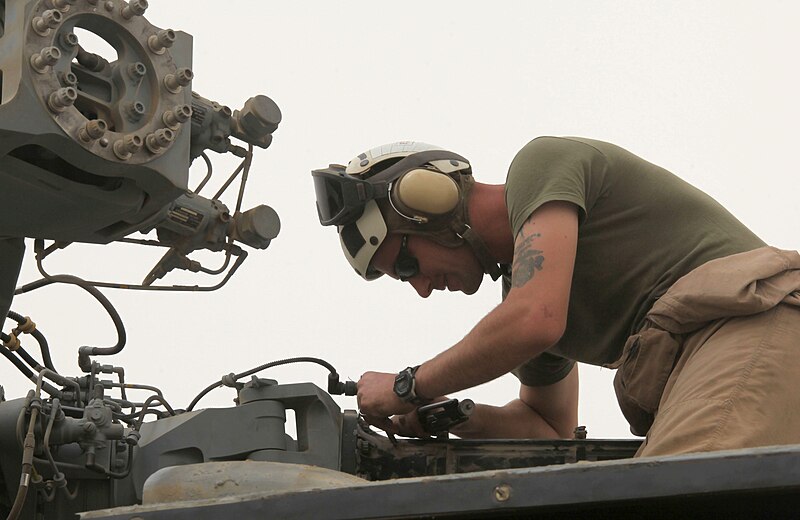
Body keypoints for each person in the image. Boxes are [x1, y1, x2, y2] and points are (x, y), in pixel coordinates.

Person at [312, 137, 800, 457]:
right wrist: (455, 415)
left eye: (405, 263)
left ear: (426, 202)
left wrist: (407, 386)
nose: (420, 288)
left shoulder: (539, 165)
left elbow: (535, 320)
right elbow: (548, 429)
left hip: (749, 325)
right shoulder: (526, 292)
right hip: (723, 365)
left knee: (673, 496)